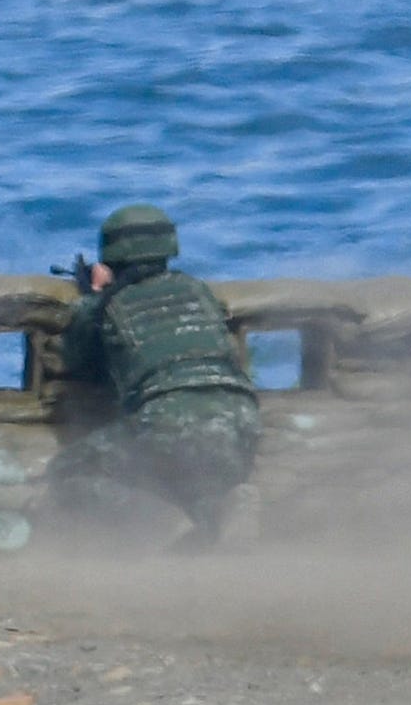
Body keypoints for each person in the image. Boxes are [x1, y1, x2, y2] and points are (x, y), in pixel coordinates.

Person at [44, 204, 261, 551]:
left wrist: (94, 298)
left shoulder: (107, 305)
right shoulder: (198, 291)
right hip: (242, 422)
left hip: (167, 422)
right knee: (192, 478)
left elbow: (78, 360)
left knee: (65, 472)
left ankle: (161, 522)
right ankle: (224, 508)